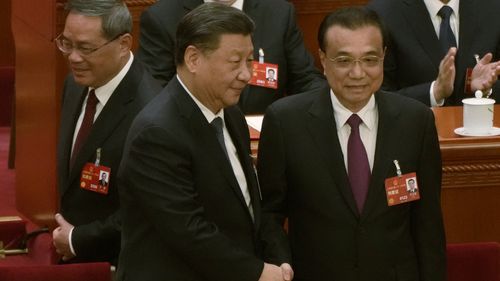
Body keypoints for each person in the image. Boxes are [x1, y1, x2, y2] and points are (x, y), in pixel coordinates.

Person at [257, 7, 446, 280]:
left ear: (383, 57)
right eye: (344, 60)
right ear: (323, 59)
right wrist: (281, 262)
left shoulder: (416, 121)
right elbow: (269, 213)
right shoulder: (285, 122)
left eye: (370, 59)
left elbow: (428, 224)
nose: (358, 73)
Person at [117, 3, 292, 281]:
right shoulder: (156, 133)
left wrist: (279, 259)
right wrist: (257, 272)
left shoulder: (231, 114)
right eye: (235, 63)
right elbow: (188, 231)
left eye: (250, 61)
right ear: (194, 58)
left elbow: (249, 206)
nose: (247, 75)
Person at [52, 0, 161, 264]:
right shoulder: (75, 84)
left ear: (124, 44)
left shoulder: (152, 111)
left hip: (120, 264)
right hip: (75, 257)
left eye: (86, 48)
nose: (73, 57)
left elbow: (146, 210)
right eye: (67, 44)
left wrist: (78, 239)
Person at [136, 0, 325, 114]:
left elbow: (306, 79)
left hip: (267, 138)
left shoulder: (278, 12)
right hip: (196, 137)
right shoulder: (162, 17)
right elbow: (153, 90)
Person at [367, 0, 500, 106]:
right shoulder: (383, 13)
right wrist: (434, 92)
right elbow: (377, 97)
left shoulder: (493, 7)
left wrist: (485, 90)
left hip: (482, 133)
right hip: (414, 133)